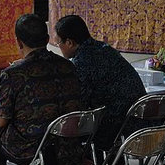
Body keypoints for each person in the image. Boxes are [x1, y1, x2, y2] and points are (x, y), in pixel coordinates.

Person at [0, 13, 81, 165]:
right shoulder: (68, 66)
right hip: (68, 148)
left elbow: (0, 122)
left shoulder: (14, 73)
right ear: (47, 39)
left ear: (18, 42)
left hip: (33, 150)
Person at [55, 15, 146, 152]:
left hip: (118, 124)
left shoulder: (82, 62)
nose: (59, 46)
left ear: (69, 43)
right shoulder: (104, 48)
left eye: (58, 43)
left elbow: (81, 103)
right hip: (140, 114)